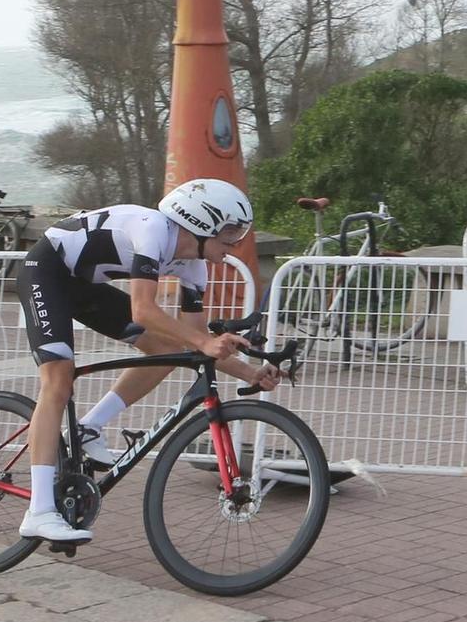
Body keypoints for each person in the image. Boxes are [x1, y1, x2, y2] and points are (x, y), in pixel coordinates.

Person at [16, 178, 277, 543]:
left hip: (82, 285)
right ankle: (39, 511)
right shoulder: (153, 229)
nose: (236, 243)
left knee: (167, 353)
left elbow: (199, 347)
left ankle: (87, 427)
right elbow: (143, 309)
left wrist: (252, 371)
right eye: (231, 232)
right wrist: (204, 340)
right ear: (200, 223)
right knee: (58, 381)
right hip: (46, 272)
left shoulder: (194, 269)